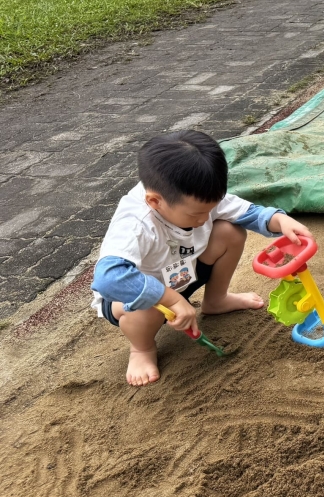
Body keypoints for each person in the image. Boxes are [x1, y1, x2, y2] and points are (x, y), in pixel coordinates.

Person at [90, 130, 312, 387]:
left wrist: (280, 220)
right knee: (144, 309)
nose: (205, 219)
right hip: (138, 297)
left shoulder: (196, 194)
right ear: (155, 201)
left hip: (182, 274)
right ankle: (142, 349)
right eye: (196, 214)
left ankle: (216, 300)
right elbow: (108, 279)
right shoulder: (136, 223)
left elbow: (248, 213)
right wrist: (171, 299)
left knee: (230, 231)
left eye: (211, 209)